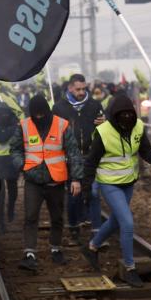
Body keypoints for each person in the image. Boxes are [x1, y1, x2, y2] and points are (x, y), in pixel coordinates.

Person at [83, 95, 151, 287]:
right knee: (127, 223)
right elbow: (90, 163)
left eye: (130, 114)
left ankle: (92, 247)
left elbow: (145, 150)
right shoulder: (103, 133)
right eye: (123, 114)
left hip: (128, 183)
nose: (127, 117)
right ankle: (130, 269)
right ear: (114, 115)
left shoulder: (137, 126)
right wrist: (87, 189)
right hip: (109, 184)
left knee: (115, 220)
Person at [12, 94, 83, 271]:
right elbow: (15, 149)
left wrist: (76, 178)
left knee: (57, 218)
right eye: (36, 114)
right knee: (30, 217)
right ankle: (29, 253)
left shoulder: (62, 125)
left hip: (56, 181)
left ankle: (56, 249)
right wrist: (22, 165)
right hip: (33, 181)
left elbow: (74, 152)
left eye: (42, 114)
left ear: (47, 111)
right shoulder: (24, 125)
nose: (39, 117)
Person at [52, 73, 105, 244]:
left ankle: (96, 232)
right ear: (70, 88)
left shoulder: (94, 105)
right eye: (78, 89)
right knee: (74, 193)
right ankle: (74, 224)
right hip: (69, 155)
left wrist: (105, 121)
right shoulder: (60, 107)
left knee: (94, 192)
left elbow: (104, 126)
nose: (82, 92)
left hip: (91, 155)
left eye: (84, 89)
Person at [0, 102, 21, 233]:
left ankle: (11, 209)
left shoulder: (13, 124)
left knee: (13, 190)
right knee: (0, 195)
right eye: (1, 114)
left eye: (6, 114)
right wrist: (13, 129)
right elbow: (0, 138)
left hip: (11, 161)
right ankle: (0, 223)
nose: (4, 116)